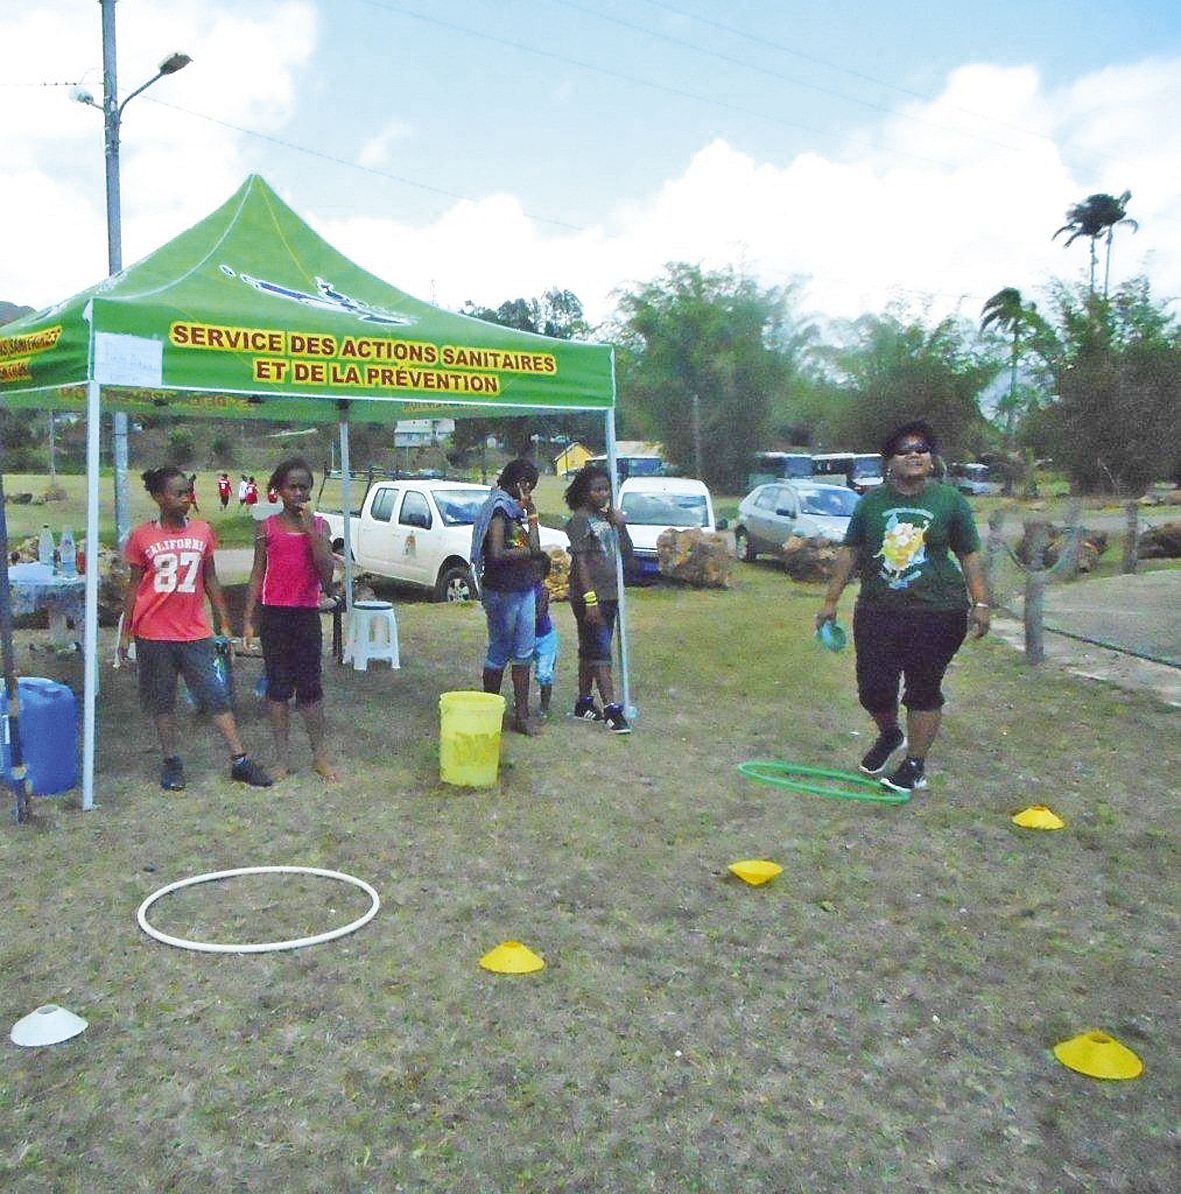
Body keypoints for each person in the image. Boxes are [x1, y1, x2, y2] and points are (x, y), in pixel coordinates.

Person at [815, 420, 990, 793]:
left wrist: (981, 602)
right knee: (873, 689)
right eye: (905, 449)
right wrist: (830, 601)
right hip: (878, 611)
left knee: (923, 690)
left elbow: (969, 554)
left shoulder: (950, 502)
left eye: (922, 448)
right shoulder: (871, 504)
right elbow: (851, 552)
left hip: (938, 612)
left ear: (931, 459)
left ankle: (915, 765)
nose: (915, 454)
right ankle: (891, 735)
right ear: (889, 463)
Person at [118, 466, 272, 791]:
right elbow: (133, 587)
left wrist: (224, 622)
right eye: (178, 493)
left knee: (215, 694)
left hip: (194, 632)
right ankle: (171, 761)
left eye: (188, 492)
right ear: (160, 497)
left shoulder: (202, 531)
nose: (186, 498)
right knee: (162, 700)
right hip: (153, 633)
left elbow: (210, 579)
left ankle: (239, 759)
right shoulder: (142, 536)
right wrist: (125, 631)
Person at [243, 458, 338, 781]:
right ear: (278, 490)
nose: (298, 493)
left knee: (311, 687)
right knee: (278, 687)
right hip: (275, 615)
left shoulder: (321, 525)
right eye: (291, 487)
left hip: (306, 613)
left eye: (304, 487)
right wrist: (248, 619)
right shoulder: (267, 527)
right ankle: (282, 758)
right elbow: (258, 573)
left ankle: (319, 756)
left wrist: (312, 532)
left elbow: (326, 573)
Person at [471, 457, 546, 735]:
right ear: (520, 483)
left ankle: (521, 714)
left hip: (523, 587)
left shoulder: (516, 511)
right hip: (502, 590)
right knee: (500, 649)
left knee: (524, 652)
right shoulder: (499, 510)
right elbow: (497, 552)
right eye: (530, 486)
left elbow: (535, 546)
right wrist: (530, 553)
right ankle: (489, 710)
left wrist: (533, 516)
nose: (531, 492)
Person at [564, 463, 633, 733]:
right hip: (590, 597)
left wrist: (621, 526)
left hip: (611, 593)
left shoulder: (608, 519)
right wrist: (590, 600)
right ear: (584, 492)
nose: (603, 494)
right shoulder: (580, 520)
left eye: (606, 489)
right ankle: (611, 709)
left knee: (590, 649)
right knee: (600, 649)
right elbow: (581, 562)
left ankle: (584, 702)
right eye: (597, 490)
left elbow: (626, 553)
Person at [532, 554, 560, 719]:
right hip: (529, 636)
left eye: (537, 571)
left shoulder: (542, 591)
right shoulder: (526, 589)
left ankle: (544, 705)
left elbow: (539, 614)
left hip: (545, 638)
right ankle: (519, 700)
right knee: (521, 666)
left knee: (544, 673)